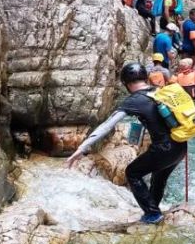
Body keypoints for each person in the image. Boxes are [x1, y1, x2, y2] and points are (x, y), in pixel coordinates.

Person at [66, 63, 188, 224]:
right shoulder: (160, 91)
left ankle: (153, 214)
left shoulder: (133, 101)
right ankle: (153, 210)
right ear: (145, 78)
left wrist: (82, 148)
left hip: (164, 149)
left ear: (127, 84)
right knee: (159, 177)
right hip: (181, 146)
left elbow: (107, 125)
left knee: (133, 172)